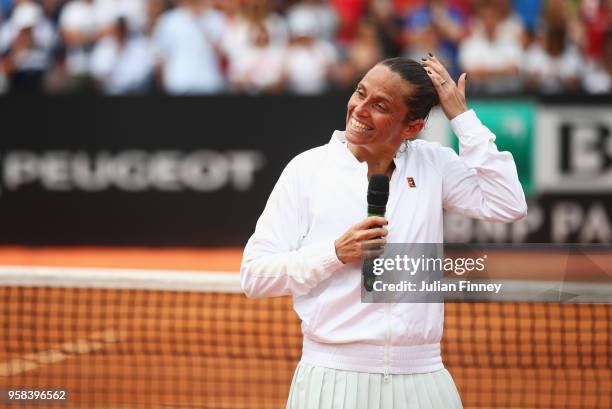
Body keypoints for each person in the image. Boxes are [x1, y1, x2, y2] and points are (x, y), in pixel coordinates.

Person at [241, 56, 527, 408]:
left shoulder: (434, 164)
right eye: (360, 93)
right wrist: (333, 253)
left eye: (380, 105)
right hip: (331, 380)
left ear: (412, 126)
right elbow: (255, 275)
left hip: (424, 380)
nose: (360, 110)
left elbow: (509, 203)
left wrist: (462, 119)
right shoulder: (307, 170)